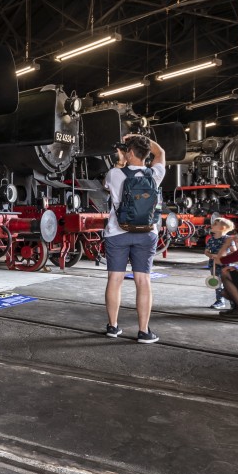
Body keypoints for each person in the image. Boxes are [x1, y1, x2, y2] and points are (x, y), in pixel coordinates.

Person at [102, 133, 166, 344]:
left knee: (115, 279)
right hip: (146, 233)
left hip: (117, 233)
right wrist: (142, 138)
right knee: (143, 280)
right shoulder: (155, 174)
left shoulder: (114, 174)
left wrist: (121, 162)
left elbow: (106, 186)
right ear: (146, 154)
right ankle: (144, 331)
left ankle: (113, 327)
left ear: (129, 152)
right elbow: (160, 152)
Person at [202, 217, 237, 309]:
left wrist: (222, 256)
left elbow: (234, 252)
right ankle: (220, 301)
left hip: (226, 265)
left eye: (215, 224)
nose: (212, 225)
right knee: (217, 283)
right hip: (213, 265)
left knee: (227, 284)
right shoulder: (211, 240)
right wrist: (210, 255)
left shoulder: (228, 239)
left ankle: (233, 302)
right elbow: (206, 251)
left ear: (222, 228)